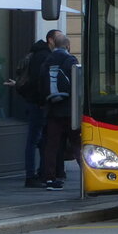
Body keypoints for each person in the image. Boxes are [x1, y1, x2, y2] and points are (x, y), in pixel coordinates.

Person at [5, 30, 61, 187]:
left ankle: (41, 173)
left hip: (37, 102)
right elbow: (38, 81)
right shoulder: (42, 56)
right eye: (59, 37)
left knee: (41, 139)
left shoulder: (41, 53)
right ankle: (31, 175)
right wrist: (43, 99)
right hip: (38, 104)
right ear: (50, 40)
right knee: (35, 139)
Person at [39, 32, 80, 190]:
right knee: (78, 144)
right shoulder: (71, 61)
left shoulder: (47, 61)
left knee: (52, 145)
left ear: (53, 45)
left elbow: (42, 86)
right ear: (68, 46)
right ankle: (89, 176)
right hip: (70, 111)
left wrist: (46, 102)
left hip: (52, 110)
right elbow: (78, 85)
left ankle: (49, 178)